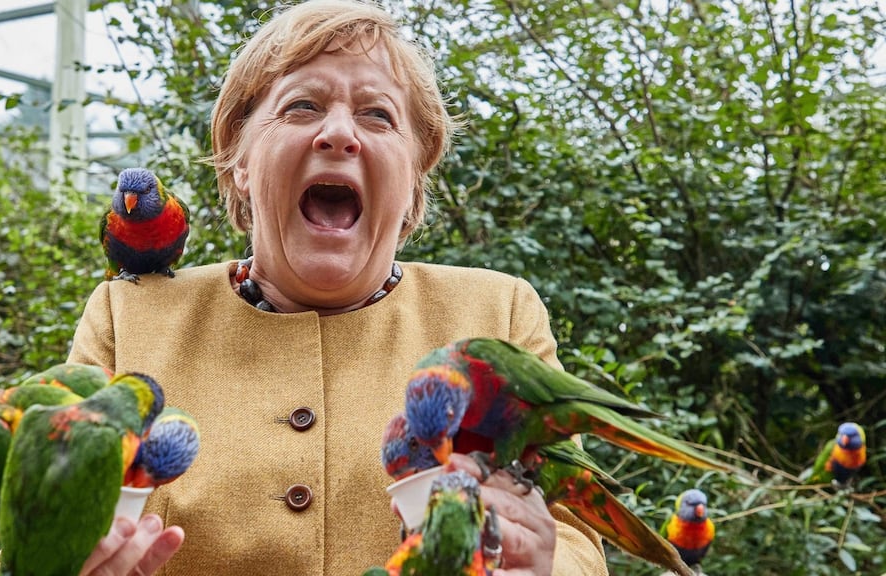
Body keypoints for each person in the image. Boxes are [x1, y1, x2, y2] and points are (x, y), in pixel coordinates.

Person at [69, 0, 609, 574]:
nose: (338, 134)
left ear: (412, 176)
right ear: (241, 164)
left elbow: (577, 538)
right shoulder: (128, 317)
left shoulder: (497, 314)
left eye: (378, 116)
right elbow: (32, 536)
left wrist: (540, 564)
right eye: (301, 106)